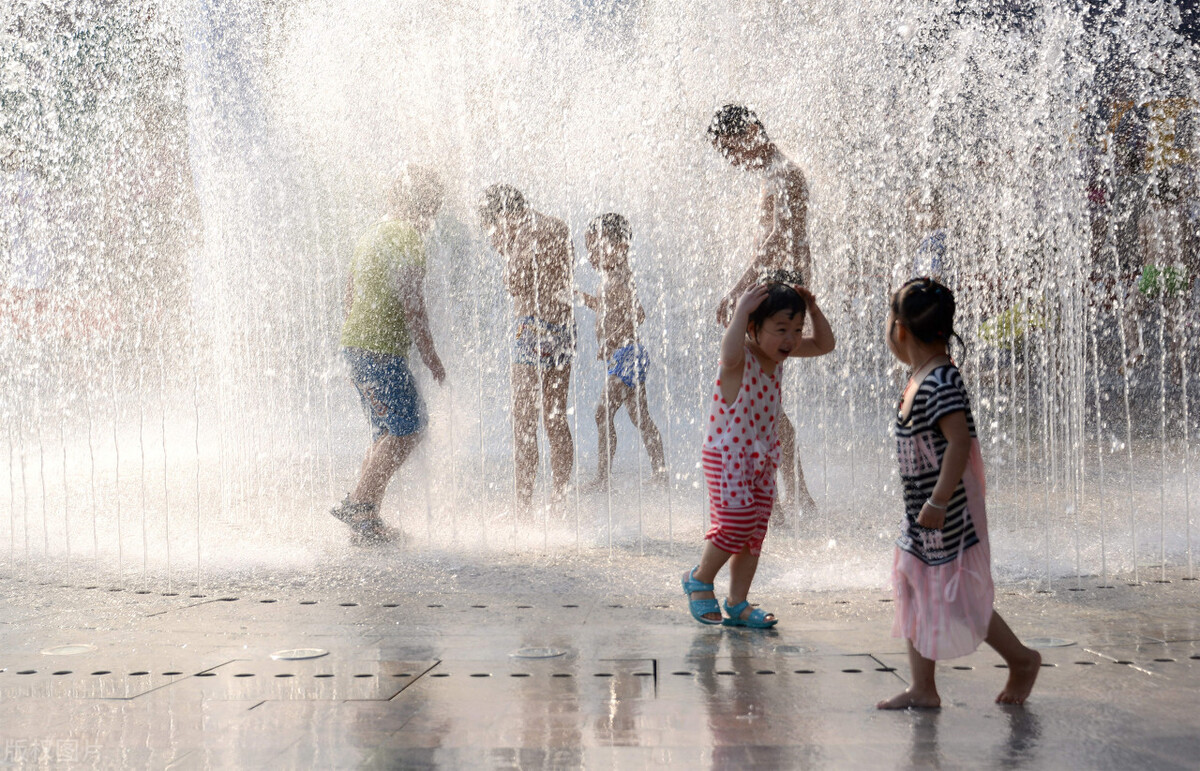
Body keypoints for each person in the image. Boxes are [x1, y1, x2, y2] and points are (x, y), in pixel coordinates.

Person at [877, 277, 1041, 709]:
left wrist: (939, 500)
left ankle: (1022, 660)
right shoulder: (921, 376)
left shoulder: (941, 381)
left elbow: (959, 443)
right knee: (912, 583)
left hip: (944, 510)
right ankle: (923, 688)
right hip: (924, 510)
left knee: (957, 595)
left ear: (900, 331)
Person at [681, 276, 835, 627]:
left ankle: (737, 602)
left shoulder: (779, 353)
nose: (791, 338)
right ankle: (699, 578)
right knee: (736, 522)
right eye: (781, 328)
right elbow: (728, 350)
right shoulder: (741, 358)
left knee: (753, 533)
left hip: (761, 457)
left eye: (796, 329)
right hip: (727, 455)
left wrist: (813, 308)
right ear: (753, 328)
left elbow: (825, 344)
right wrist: (739, 313)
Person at [707, 103, 818, 518]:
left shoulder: (786, 173)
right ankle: (793, 490)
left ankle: (786, 492)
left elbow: (779, 239)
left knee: (764, 391)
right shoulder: (776, 173)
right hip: (777, 290)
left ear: (752, 130)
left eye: (732, 150)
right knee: (765, 392)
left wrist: (739, 292)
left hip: (780, 293)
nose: (733, 161)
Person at [330, 166, 446, 544]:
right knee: (409, 427)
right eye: (435, 208)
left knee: (386, 430)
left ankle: (367, 520)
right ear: (425, 206)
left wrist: (354, 351)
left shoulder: (372, 234)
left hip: (361, 344)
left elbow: (349, 294)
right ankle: (360, 504)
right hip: (380, 349)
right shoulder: (406, 237)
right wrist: (430, 355)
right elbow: (412, 300)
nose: (434, 218)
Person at [479, 184, 575, 511]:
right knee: (556, 417)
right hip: (562, 330)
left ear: (503, 216)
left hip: (533, 330)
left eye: (492, 229)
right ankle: (559, 501)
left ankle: (523, 507)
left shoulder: (526, 231)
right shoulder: (556, 226)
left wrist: (507, 252)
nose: (493, 238)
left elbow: (515, 282)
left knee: (524, 421)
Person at [575, 213, 666, 491]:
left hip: (628, 355)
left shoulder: (623, 277)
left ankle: (603, 478)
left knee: (602, 412)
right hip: (624, 357)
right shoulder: (610, 278)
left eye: (595, 247)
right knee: (640, 417)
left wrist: (610, 339)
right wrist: (582, 298)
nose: (590, 255)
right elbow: (607, 309)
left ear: (620, 246)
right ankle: (660, 472)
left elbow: (638, 315)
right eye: (588, 248)